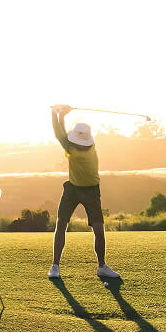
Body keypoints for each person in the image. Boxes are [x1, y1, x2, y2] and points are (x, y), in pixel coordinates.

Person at [48, 104, 120, 281]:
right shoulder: (87, 144)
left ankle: (102, 266)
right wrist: (60, 114)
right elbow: (60, 133)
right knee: (61, 224)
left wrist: (58, 113)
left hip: (91, 191)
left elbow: (58, 132)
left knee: (98, 229)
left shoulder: (71, 147)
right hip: (72, 189)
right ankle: (55, 265)